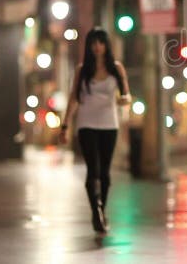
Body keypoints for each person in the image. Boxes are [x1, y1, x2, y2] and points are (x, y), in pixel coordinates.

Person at [60, 27, 131, 234]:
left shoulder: (117, 69)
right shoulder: (82, 70)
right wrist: (65, 125)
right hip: (86, 124)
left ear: (106, 45)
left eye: (101, 42)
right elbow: (74, 98)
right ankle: (96, 213)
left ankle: (101, 208)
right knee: (93, 170)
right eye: (93, 43)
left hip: (109, 124)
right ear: (89, 46)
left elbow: (127, 95)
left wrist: (124, 100)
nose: (97, 47)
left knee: (105, 173)